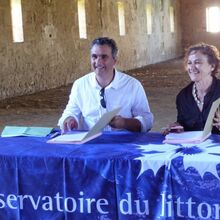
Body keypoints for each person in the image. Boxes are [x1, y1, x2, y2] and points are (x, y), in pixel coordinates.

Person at [58, 37, 153, 133]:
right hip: (91, 144)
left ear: (114, 60)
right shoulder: (80, 85)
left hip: (123, 143)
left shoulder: (133, 85)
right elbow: (70, 112)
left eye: (104, 57)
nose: (98, 62)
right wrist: (70, 119)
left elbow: (148, 120)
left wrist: (125, 123)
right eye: (94, 56)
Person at [162, 42, 220, 135]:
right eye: (189, 63)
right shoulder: (183, 97)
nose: (191, 67)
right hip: (194, 148)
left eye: (197, 62)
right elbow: (182, 123)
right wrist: (176, 127)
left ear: (212, 66)